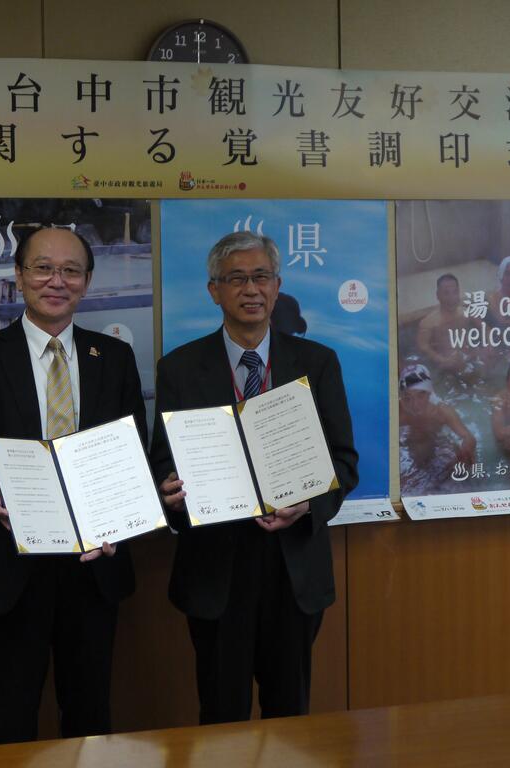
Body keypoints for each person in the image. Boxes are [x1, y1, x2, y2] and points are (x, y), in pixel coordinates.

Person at [0, 226, 145, 744]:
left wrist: (121, 515)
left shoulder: (113, 357)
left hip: (94, 565)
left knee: (91, 716)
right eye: (43, 268)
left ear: (87, 281)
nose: (57, 281)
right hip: (10, 565)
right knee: (10, 717)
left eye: (71, 270)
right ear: (19, 274)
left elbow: (132, 451)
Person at [150, 231, 358, 725]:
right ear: (214, 290)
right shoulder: (179, 368)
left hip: (294, 570)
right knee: (221, 719)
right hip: (216, 569)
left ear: (277, 286)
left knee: (290, 718)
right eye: (236, 278)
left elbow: (344, 462)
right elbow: (162, 462)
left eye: (261, 277)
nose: (251, 289)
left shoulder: (317, 363)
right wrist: (169, 492)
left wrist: (308, 504)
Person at [398, 363, 476, 469]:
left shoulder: (441, 411)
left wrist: (465, 449)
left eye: (420, 395)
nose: (415, 404)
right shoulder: (399, 410)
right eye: (408, 398)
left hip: (437, 443)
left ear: (429, 392)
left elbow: (468, 437)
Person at [415, 273, 482, 375]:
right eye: (446, 293)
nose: (452, 298)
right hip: (446, 368)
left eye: (455, 292)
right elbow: (423, 347)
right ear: (438, 295)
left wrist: (488, 346)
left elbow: (484, 328)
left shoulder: (466, 313)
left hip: (470, 359)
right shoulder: (429, 322)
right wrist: (442, 360)